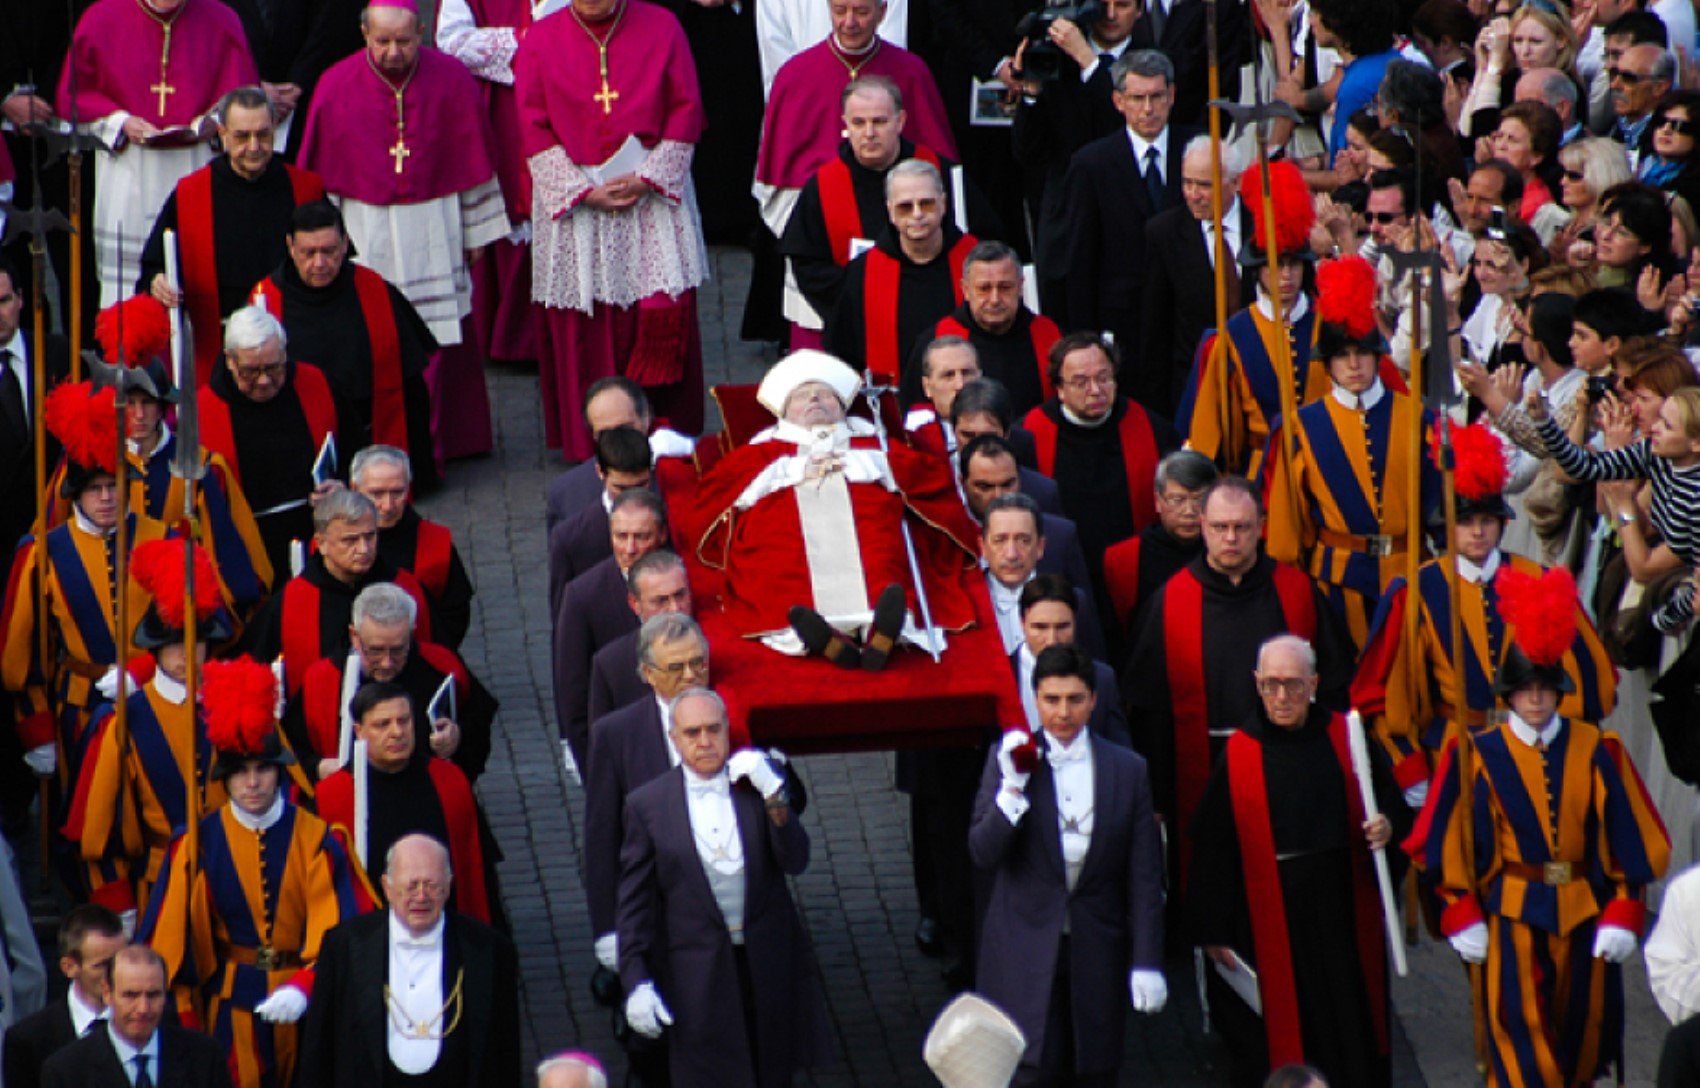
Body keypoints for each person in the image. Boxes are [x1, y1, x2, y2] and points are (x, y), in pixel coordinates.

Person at [1416, 567, 1670, 1088]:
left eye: (1544, 689)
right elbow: (1447, 840)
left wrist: (1624, 909)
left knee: (1582, 1042)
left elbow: (1628, 839)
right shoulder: (1475, 756)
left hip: (1582, 909)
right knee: (1520, 1049)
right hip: (1511, 912)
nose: (1535, 699)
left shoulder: (1599, 751)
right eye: (1525, 689)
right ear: (1509, 695)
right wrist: (1461, 909)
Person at [1353, 422, 1617, 806]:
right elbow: (1386, 695)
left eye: (1486, 521)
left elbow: (1592, 686)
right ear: (1448, 524)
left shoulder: (1541, 581)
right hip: (1452, 756)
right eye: (1465, 522)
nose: (1477, 532)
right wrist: (1411, 771)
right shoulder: (1416, 592)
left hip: (1534, 755)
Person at [139, 656, 369, 1088]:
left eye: (262, 769)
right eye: (240, 772)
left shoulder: (319, 839)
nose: (252, 783)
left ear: (279, 771)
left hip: (306, 1003)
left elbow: (342, 930)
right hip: (229, 1006)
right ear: (224, 780)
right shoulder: (196, 845)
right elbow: (169, 943)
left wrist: (305, 985)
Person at [1189, 634, 1407, 1088]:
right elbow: (1213, 846)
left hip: (1341, 914)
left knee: (1348, 1026)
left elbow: (1387, 801)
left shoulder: (1346, 736)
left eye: (1292, 684)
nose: (1281, 697)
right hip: (1271, 917)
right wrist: (1213, 928)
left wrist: (1386, 825)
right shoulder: (1241, 752)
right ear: (1256, 684)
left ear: (1314, 683)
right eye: (1270, 685)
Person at [298, 0, 507, 465]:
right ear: (364, 34)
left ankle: (440, 443)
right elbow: (323, 180)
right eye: (382, 41)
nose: (392, 52)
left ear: (423, 33)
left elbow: (471, 165)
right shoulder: (335, 86)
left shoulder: (451, 79)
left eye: (404, 41)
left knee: (439, 337)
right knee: (374, 336)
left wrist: (474, 234)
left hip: (436, 225)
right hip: (366, 229)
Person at [1127, 477, 1353, 896]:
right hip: (1204, 766)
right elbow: (1149, 708)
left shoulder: (1297, 591)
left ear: (1262, 525)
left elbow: (1336, 688)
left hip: (1290, 761)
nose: (1231, 538)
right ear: (1202, 525)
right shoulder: (1171, 600)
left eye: (1243, 527)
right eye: (1219, 527)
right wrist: (1156, 797)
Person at [515, 0, 709, 463]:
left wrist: (650, 177)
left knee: (658, 307)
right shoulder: (541, 39)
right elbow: (532, 123)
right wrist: (581, 191)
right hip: (579, 200)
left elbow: (686, 107)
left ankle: (665, 436)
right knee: (586, 322)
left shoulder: (661, 25)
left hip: (650, 192)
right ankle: (592, 444)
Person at [691, 350, 981, 658]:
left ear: (843, 406)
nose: (814, 399)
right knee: (778, 553)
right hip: (783, 525)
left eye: (825, 395)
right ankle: (817, 636)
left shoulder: (873, 443)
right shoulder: (760, 452)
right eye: (802, 396)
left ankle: (882, 630)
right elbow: (718, 494)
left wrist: (876, 466)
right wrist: (793, 470)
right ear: (784, 411)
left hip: (867, 517)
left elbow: (925, 478)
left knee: (881, 547)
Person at [969, 643, 1167, 1085]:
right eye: (1051, 699)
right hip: (1023, 947)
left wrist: (1147, 960)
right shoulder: (1008, 762)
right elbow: (982, 852)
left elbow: (1144, 875)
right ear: (1034, 698)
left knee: (1094, 1069)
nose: (1063, 712)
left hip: (1097, 945)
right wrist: (1011, 796)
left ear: (1094, 700)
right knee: (1029, 1071)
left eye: (1075, 699)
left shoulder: (1128, 770)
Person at [615, 687, 832, 1085]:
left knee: (772, 1070)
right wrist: (636, 981)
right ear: (674, 738)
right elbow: (635, 905)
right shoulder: (648, 806)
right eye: (693, 732)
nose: (705, 742)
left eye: (714, 730)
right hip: (696, 975)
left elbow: (795, 860)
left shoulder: (752, 788)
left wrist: (775, 795)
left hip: (767, 962)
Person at [1262, 256, 1440, 649]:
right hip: (1334, 580)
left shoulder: (1417, 418)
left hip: (1407, 570)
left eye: (1362, 352)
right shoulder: (1299, 427)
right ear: (1328, 364)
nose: (1354, 364)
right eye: (1342, 355)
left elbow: (1438, 500)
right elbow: (1289, 522)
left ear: (1377, 356)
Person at [754, 0, 955, 341]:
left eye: (861, 12)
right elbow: (775, 183)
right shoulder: (796, 74)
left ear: (883, 10)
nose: (849, 22)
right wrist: (817, 221)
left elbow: (943, 177)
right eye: (839, 10)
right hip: (823, 262)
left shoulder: (911, 72)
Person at [2, 382, 170, 786]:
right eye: (95, 489)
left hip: (155, 700)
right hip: (77, 709)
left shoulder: (165, 540)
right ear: (77, 494)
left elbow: (196, 626)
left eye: (114, 486)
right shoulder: (43, 554)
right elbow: (20, 652)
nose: (107, 497)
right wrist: (36, 727)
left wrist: (145, 667)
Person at [66, 539, 231, 918]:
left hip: (230, 880)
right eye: (174, 645)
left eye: (197, 642)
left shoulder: (235, 700)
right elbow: (99, 831)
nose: (188, 653)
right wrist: (119, 904)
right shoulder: (124, 720)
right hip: (158, 884)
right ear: (155, 649)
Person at [56, 0, 257, 308]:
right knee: (127, 298)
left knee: (197, 283)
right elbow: (73, 98)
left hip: (195, 165)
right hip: (129, 170)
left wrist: (215, 122)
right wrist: (120, 121)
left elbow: (242, 97)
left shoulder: (220, 18)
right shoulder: (103, 17)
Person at [90, 296, 272, 619]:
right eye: (128, 404)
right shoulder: (91, 463)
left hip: (182, 614)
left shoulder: (203, 466)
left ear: (163, 407)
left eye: (148, 403)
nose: (139, 415)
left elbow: (236, 551)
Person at [138, 85, 327, 385]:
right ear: (223, 134)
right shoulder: (192, 193)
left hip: (291, 345)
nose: (254, 146)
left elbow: (333, 258)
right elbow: (153, 266)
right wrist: (158, 281)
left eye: (263, 135)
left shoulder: (305, 189)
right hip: (216, 350)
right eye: (242, 136)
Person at [298, 834, 520, 1088]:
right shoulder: (345, 946)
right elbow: (318, 1049)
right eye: (411, 886)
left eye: (432, 885)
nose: (422, 896)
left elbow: (506, 1052)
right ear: (387, 887)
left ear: (448, 886)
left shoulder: (488, 950)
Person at [781, 77, 987, 346]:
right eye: (859, 123)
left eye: (879, 121)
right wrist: (859, 302)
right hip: (864, 325)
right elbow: (809, 265)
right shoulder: (823, 186)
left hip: (944, 319)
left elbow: (984, 243)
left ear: (900, 121)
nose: (869, 133)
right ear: (845, 125)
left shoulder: (941, 172)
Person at [251, 201, 438, 487]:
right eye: (308, 253)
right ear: (290, 246)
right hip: (298, 436)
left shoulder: (375, 290)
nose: (319, 263)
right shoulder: (265, 301)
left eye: (329, 251)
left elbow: (411, 385)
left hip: (369, 431)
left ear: (345, 244)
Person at [583, 614, 709, 999]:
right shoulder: (617, 735)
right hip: (657, 912)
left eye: (698, 662)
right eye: (676, 667)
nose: (690, 676)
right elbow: (602, 837)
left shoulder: (729, 716)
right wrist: (608, 928)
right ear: (648, 674)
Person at [1182, 160, 1326, 478]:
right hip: (1260, 474)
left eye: (1293, 265)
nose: (1285, 275)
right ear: (1257, 270)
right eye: (1275, 266)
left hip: (1326, 466)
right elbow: (1212, 426)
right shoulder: (1234, 335)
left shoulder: (1328, 324)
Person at [197, 305, 360, 580]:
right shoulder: (202, 412)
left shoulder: (317, 384)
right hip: (244, 548)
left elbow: (358, 452)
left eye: (274, 368)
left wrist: (343, 484)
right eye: (250, 371)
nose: (263, 381)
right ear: (229, 360)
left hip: (320, 540)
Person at [288, 583, 496, 792]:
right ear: (354, 635)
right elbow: (289, 744)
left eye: (398, 650)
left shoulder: (440, 666)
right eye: (376, 651)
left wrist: (457, 735)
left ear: (411, 634)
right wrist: (317, 767)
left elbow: (478, 719)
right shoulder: (322, 680)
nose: (387, 663)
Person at [315, 684, 491, 922]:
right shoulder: (333, 795)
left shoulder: (448, 780)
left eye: (404, 721)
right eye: (382, 724)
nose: (397, 732)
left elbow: (472, 869)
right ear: (359, 731)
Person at [1062, 50, 1198, 356]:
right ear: (1118, 101)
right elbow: (1080, 259)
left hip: (1188, 321)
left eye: (1157, 96)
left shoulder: (1198, 149)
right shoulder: (1091, 164)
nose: (1148, 109)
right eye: (1137, 98)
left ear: (1172, 95)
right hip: (1124, 326)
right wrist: (1086, 340)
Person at [240, 489, 434, 696]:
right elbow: (248, 672)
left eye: (370, 536)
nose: (364, 549)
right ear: (321, 543)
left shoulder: (405, 587)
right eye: (350, 540)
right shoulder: (291, 601)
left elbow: (437, 662)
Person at [1020, 332, 1180, 579]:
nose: (1095, 390)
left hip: (1133, 571)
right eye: (1081, 382)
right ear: (1060, 389)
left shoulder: (1153, 430)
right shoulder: (1028, 435)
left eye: (1103, 378)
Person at [436, 0, 541, 370]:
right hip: (498, 103)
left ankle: (552, 334)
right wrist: (526, 41)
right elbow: (450, 40)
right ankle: (506, 336)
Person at [825, 158, 978, 376]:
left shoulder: (977, 264)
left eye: (926, 203)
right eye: (905, 207)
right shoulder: (864, 271)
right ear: (890, 212)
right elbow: (843, 351)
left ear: (943, 203)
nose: (917, 214)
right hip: (892, 403)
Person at [554, 489, 669, 770]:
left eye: (641, 537)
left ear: (662, 535)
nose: (630, 549)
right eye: (621, 536)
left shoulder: (683, 580)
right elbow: (574, 694)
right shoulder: (583, 596)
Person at [1140, 136, 1252, 418]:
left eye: (1204, 185)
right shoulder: (1164, 233)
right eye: (1187, 183)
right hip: (1196, 388)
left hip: (1258, 382)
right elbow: (1156, 326)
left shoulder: (1265, 222)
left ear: (1235, 183)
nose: (1193, 194)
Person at [39, 945, 231, 1088]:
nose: (143, 1008)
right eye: (131, 995)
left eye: (154, 995)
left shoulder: (205, 1056)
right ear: (107, 993)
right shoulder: (66, 1070)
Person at [904, 241, 1059, 417]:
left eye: (1005, 287)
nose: (994, 299)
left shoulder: (1048, 335)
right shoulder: (936, 340)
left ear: (1020, 286)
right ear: (966, 289)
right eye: (984, 289)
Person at [352, 445, 473, 648]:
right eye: (377, 494)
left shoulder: (436, 542)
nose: (388, 505)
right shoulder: (332, 544)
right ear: (355, 488)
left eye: (397, 492)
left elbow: (456, 613)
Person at [1100, 449, 1218, 645]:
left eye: (1199, 500)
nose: (1189, 511)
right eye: (1178, 500)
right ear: (1158, 501)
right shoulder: (1124, 559)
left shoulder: (1227, 551)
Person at [0, 904, 126, 1088]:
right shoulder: (27, 1041)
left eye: (121, 961)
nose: (116, 973)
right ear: (69, 967)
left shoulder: (154, 1022)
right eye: (102, 965)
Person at [981, 493, 1107, 662]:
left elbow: (1093, 670)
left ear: (1040, 547)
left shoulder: (1075, 601)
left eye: (1023, 540)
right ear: (982, 547)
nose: (1011, 554)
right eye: (1000, 540)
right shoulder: (964, 606)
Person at [959, 436, 1092, 594]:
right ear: (963, 483)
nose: (998, 495)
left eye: (1007, 484)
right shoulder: (951, 539)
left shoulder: (1060, 537)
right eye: (984, 487)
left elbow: (1081, 608)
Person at [547, 426, 653, 614]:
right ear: (599, 473)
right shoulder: (570, 538)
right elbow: (562, 614)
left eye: (641, 485)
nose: (631, 497)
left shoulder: (673, 521)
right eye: (620, 488)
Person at [1013, 575, 1128, 745]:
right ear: (1022, 623)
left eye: (1062, 627)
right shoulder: (997, 675)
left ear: (1076, 623)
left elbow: (1120, 755)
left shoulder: (1103, 679)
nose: (1052, 639)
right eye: (1040, 627)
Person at [586, 549, 694, 727]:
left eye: (680, 595)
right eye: (661, 601)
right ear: (635, 604)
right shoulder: (611, 665)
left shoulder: (717, 648)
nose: (675, 608)